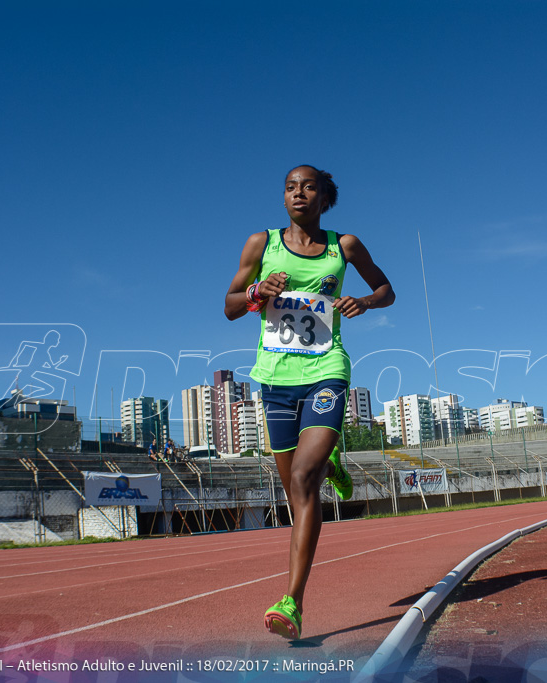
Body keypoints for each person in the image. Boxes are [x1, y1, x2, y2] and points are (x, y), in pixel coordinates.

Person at [224, 165, 394, 640]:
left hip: (326, 370)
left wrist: (365, 301)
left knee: (302, 477)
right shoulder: (262, 244)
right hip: (275, 379)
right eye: (290, 187)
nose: (298, 193)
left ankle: (293, 601)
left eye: (308, 187)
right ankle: (329, 457)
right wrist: (258, 291)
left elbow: (387, 290)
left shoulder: (346, 246)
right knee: (297, 496)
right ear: (284, 198)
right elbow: (230, 305)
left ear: (325, 197)